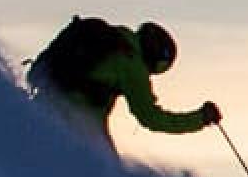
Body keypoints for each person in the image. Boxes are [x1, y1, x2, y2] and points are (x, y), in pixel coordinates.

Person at [25, 17, 219, 148]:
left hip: (45, 102)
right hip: (74, 120)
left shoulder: (115, 37)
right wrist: (200, 119)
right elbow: (150, 117)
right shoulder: (132, 64)